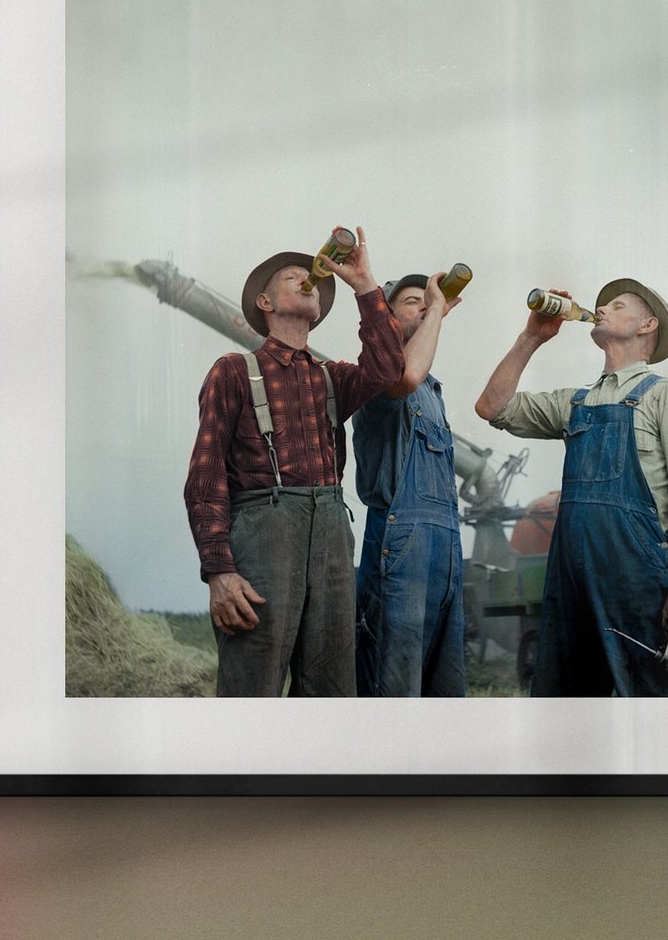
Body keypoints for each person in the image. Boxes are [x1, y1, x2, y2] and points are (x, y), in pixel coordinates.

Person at [475, 278, 668, 696]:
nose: (601, 310)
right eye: (602, 306)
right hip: (570, 585)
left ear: (647, 325)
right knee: (563, 711)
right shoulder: (574, 402)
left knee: (650, 708)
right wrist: (532, 337)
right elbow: (492, 407)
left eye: (617, 306)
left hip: (638, 585)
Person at [183, 227, 404, 697]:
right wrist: (219, 571)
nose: (307, 281)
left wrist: (364, 285)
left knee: (331, 685)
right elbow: (205, 479)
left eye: (314, 279)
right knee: (253, 684)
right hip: (261, 540)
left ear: (320, 310)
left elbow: (388, 369)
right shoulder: (233, 371)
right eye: (291, 276)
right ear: (264, 303)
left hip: (330, 535)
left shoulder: (332, 378)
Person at [352, 272, 466, 697]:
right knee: (393, 690)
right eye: (412, 301)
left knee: (443, 690)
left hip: (444, 557)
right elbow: (404, 375)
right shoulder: (375, 377)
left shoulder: (433, 393)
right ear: (388, 320)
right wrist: (437, 308)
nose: (425, 304)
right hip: (396, 552)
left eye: (428, 300)